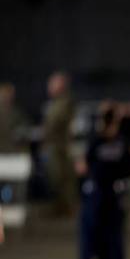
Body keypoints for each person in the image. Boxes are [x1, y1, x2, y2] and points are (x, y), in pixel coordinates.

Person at [77, 102, 130, 259]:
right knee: (114, 239)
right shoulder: (124, 143)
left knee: (90, 239)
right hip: (114, 195)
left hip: (95, 195)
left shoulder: (94, 142)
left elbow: (82, 167)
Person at [42, 72, 77, 217]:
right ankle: (58, 208)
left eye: (52, 84)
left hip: (60, 147)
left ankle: (65, 208)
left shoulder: (65, 103)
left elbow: (56, 123)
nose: (49, 88)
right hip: (54, 146)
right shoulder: (55, 103)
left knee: (62, 179)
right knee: (55, 179)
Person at [0, 83, 29, 153]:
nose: (8, 97)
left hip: (14, 150)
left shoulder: (16, 111)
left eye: (10, 94)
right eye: (5, 94)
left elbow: (25, 125)